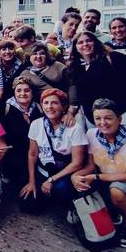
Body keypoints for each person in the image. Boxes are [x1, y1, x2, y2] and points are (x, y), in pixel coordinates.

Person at [72, 98, 126, 249]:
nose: (103, 123)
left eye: (108, 118)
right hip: (110, 179)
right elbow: (91, 166)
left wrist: (96, 177)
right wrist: (76, 176)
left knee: (117, 191)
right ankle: (114, 212)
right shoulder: (92, 135)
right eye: (98, 118)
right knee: (82, 182)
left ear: (119, 119)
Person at [66, 31, 126, 135]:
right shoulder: (77, 68)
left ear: (96, 43)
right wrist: (70, 113)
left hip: (124, 114)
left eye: (89, 40)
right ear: (76, 48)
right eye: (80, 42)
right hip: (95, 120)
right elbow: (76, 95)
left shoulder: (113, 58)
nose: (85, 44)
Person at [19, 89, 86, 217]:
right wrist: (31, 181)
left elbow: (77, 163)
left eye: (55, 103)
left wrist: (51, 180)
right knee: (27, 203)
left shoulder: (74, 128)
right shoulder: (36, 124)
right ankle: (47, 196)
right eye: (46, 103)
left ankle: (69, 203)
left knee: (60, 189)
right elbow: (32, 154)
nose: (49, 107)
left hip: (64, 173)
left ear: (64, 106)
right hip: (44, 170)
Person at [0, 76, 43, 188]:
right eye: (19, 90)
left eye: (27, 90)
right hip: (13, 157)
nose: (22, 93)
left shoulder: (39, 108)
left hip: (36, 155)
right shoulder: (5, 108)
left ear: (32, 92)